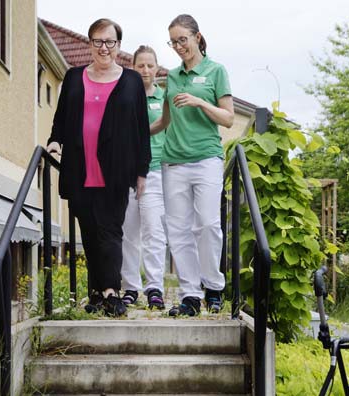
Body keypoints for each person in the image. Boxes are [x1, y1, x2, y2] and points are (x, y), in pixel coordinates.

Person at [47, 18, 151, 316]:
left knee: (110, 230)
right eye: (97, 41)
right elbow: (61, 115)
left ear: (119, 45)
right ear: (89, 43)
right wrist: (55, 141)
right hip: (80, 165)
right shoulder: (73, 76)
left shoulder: (131, 80)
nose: (104, 47)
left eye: (110, 42)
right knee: (89, 231)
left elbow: (141, 129)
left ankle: (111, 291)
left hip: (117, 168)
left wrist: (141, 170)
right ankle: (95, 291)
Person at [150, 14, 234, 317]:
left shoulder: (216, 71)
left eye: (182, 39)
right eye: (173, 42)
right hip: (173, 161)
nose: (178, 46)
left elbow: (228, 118)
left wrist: (200, 102)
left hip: (206, 158)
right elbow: (165, 120)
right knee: (178, 231)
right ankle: (190, 295)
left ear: (198, 37)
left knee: (209, 225)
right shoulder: (171, 76)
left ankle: (213, 287)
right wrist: (134, 132)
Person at [120, 46, 168, 310]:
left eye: (150, 66)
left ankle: (154, 288)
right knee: (129, 232)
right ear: (133, 68)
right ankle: (130, 288)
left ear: (158, 69)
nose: (146, 71)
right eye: (141, 66)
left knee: (153, 230)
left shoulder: (165, 99)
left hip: (156, 170)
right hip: (128, 171)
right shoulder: (126, 97)